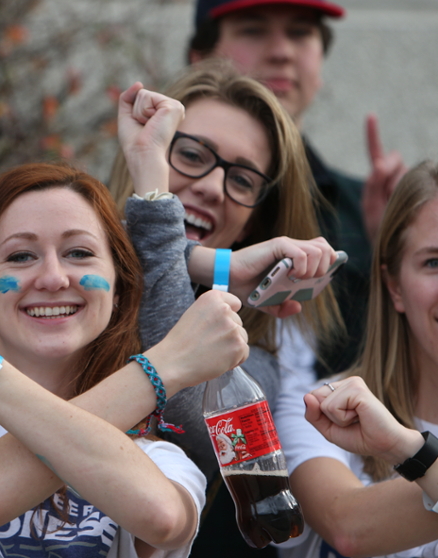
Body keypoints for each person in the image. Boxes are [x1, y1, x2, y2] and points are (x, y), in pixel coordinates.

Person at [0, 163, 268, 558]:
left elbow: (160, 517)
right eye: (20, 256)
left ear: (117, 292)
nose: (52, 278)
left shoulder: (154, 453)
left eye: (79, 253)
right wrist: (165, 366)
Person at [110, 59, 342, 558]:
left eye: (242, 180)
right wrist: (215, 264)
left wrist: (160, 202)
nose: (214, 187)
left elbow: (181, 400)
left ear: (253, 224)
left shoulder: (255, 360)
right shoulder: (54, 285)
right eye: (191, 154)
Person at [275, 159, 438, 558]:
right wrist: (413, 453)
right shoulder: (326, 409)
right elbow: (349, 528)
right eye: (434, 262)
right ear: (395, 286)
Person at [186, 0, 408, 376]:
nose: (282, 51)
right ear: (201, 56)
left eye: (300, 32)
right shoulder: (152, 192)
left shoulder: (362, 205)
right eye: (253, 30)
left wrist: (394, 256)